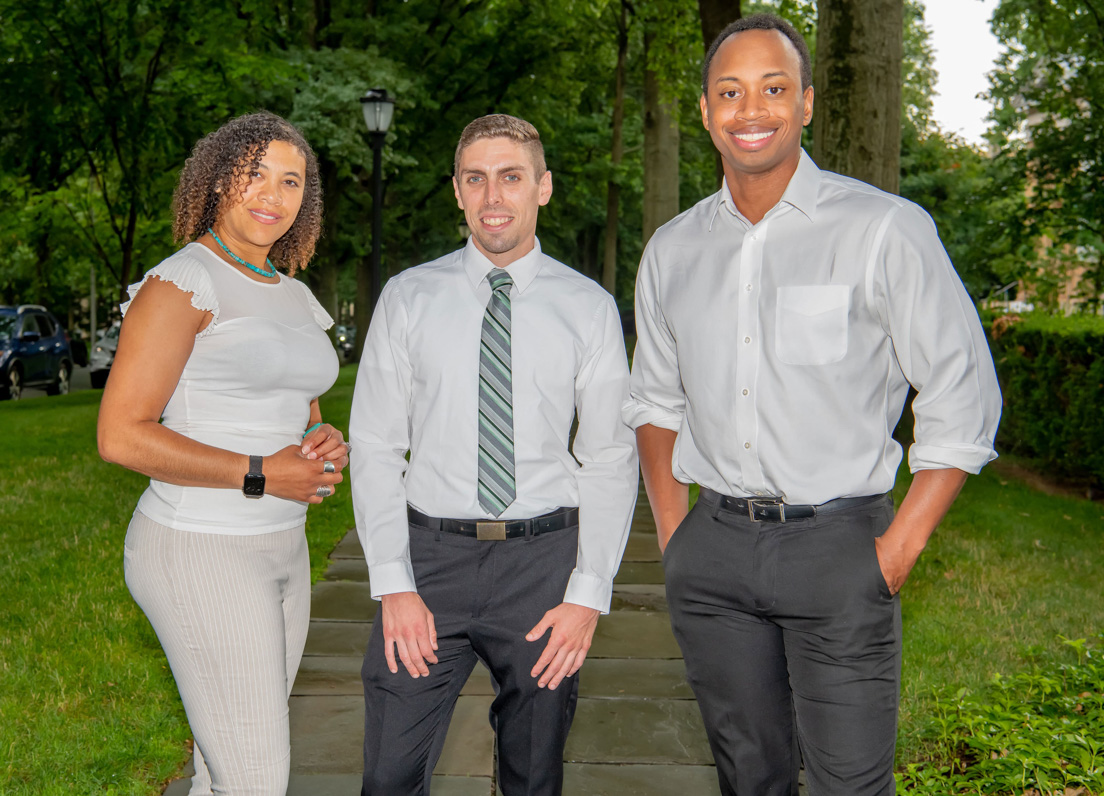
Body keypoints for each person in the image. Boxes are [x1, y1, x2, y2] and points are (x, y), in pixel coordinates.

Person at [624, 14, 1001, 796]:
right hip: (715, 551)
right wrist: (674, 535)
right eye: (730, 91)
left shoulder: (884, 230)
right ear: (704, 112)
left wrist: (893, 554)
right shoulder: (672, 250)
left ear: (806, 105)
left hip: (841, 552)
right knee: (749, 779)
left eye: (773, 88)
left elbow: (963, 393)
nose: (750, 109)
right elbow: (655, 400)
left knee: (850, 785)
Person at [349, 114, 638, 795]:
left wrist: (587, 595)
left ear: (543, 188)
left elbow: (608, 456)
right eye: (475, 179)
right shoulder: (408, 298)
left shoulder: (588, 308)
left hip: (543, 566)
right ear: (456, 191)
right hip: (429, 562)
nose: (493, 197)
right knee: (389, 775)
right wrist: (393, 582)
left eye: (511, 177)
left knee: (533, 777)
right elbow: (376, 444)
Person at [98, 111, 348, 796]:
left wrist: (322, 444)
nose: (273, 193)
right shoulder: (183, 283)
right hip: (199, 546)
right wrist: (265, 473)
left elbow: (300, 408)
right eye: (255, 173)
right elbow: (120, 435)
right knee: (257, 779)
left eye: (291, 180)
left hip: (283, 549)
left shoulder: (293, 294)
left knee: (224, 768)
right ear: (215, 182)